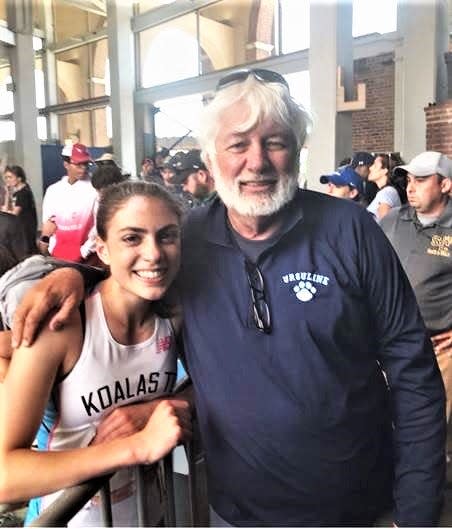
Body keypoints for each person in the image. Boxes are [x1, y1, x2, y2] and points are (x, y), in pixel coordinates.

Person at [5, 68, 446, 527]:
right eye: (238, 145)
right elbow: (133, 268)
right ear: (211, 161)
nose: (257, 162)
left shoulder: (351, 231)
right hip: (233, 514)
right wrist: (69, 275)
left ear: (296, 153)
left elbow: (414, 373)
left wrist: (416, 513)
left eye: (275, 142)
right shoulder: (187, 241)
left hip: (359, 509)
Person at [0, 181, 192, 527]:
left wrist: (156, 411)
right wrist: (136, 447)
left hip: (148, 515)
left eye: (167, 236)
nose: (154, 254)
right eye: (132, 238)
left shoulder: (174, 315)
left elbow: (217, 384)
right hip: (70, 518)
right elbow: (5, 475)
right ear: (101, 249)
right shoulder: (62, 325)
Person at [381, 150, 452, 421]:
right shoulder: (392, 221)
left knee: (434, 427)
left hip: (440, 351)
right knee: (389, 423)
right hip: (392, 346)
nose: (410, 187)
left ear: (445, 185)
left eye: (421, 180)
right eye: (408, 180)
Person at [39, 143, 98, 262]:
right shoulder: (53, 191)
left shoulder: (95, 190)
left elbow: (99, 226)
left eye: (86, 164)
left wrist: (84, 251)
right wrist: (50, 248)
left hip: (86, 258)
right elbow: (48, 224)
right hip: (57, 256)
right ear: (66, 164)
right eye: (78, 164)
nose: (84, 168)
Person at [2, 165, 38, 255]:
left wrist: (5, 212)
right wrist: (7, 193)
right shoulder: (17, 192)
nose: (7, 180)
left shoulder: (23, 193)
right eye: (6, 177)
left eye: (10, 177)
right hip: (21, 229)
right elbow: (6, 210)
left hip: (26, 229)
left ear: (19, 179)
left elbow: (13, 214)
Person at [366, 152, 407, 222]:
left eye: (375, 165)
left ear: (385, 170)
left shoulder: (386, 193)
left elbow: (386, 225)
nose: (370, 168)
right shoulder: (388, 191)